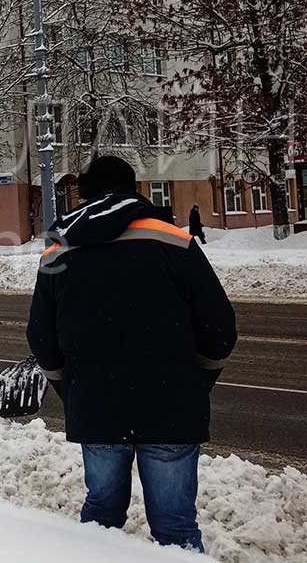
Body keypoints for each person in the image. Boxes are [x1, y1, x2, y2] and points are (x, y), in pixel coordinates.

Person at [26, 156, 236, 552]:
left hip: (97, 404)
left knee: (100, 520)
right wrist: (197, 378)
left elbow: (41, 336)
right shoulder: (175, 240)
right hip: (171, 404)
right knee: (175, 528)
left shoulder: (60, 248)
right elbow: (220, 327)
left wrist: (69, 388)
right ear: (133, 187)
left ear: (85, 192)